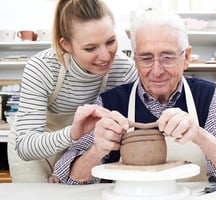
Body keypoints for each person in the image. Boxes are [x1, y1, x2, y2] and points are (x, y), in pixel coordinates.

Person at [53, 10, 216, 184]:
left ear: (185, 57)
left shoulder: (209, 97)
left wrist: (199, 135)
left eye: (167, 57)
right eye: (146, 58)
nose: (156, 71)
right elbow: (69, 178)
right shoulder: (111, 104)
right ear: (135, 60)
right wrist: (96, 150)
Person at [7, 0, 137, 183]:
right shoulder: (42, 67)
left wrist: (70, 163)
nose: (106, 56)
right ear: (65, 45)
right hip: (36, 155)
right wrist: (72, 134)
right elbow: (26, 146)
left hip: (82, 151)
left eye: (110, 42)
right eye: (90, 48)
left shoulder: (124, 70)